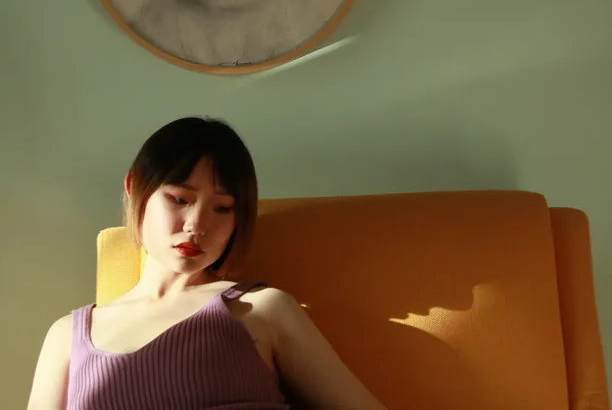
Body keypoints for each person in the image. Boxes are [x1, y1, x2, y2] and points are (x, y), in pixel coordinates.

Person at [27, 116, 385, 410]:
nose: (197, 225)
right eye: (180, 199)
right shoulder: (67, 336)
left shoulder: (263, 311)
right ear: (134, 188)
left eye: (222, 208)